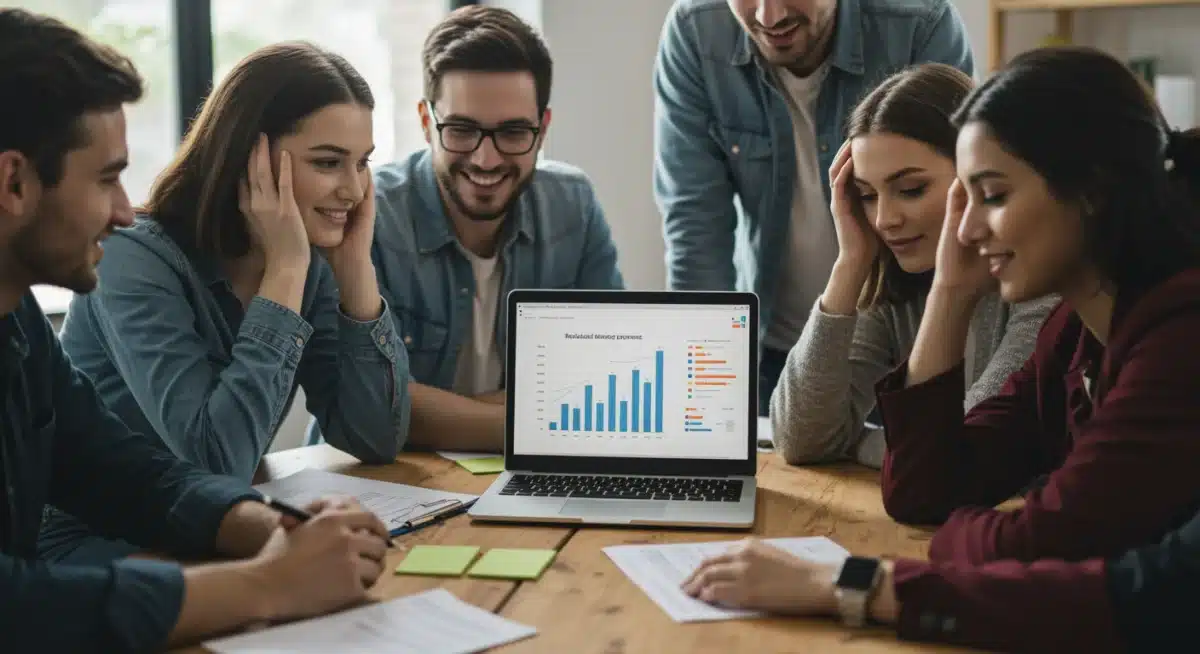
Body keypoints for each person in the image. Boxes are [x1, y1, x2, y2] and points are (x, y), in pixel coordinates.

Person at [684, 46, 1200, 651]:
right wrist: (947, 289)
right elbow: (925, 490)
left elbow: (1034, 546)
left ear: (1092, 192)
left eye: (994, 195)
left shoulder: (1178, 336)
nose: (967, 228)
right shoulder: (1073, 332)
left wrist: (857, 578)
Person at [0, 9, 393, 651]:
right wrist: (270, 584)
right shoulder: (143, 256)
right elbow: (16, 604)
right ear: (14, 182)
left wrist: (272, 524)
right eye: (106, 179)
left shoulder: (16, 323)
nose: (126, 211)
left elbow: (126, 472)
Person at [653, 0, 974, 414]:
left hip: (906, 343)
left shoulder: (919, 21)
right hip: (774, 350)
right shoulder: (695, 32)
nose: (770, 17)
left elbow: (964, 190)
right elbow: (695, 228)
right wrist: (701, 395)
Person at [365, 5, 624, 452]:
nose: (486, 160)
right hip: (388, 482)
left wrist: (441, 410)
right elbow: (370, 408)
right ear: (427, 123)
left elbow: (609, 376)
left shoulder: (573, 205)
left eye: (512, 132)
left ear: (542, 129)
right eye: (462, 130)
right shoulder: (372, 217)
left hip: (527, 473)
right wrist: (535, 420)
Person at [770, 63, 1055, 468]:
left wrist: (862, 446)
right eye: (867, 195)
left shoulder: (1040, 286)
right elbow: (800, 438)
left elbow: (955, 456)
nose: (885, 219)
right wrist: (850, 263)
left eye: (910, 189)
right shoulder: (898, 284)